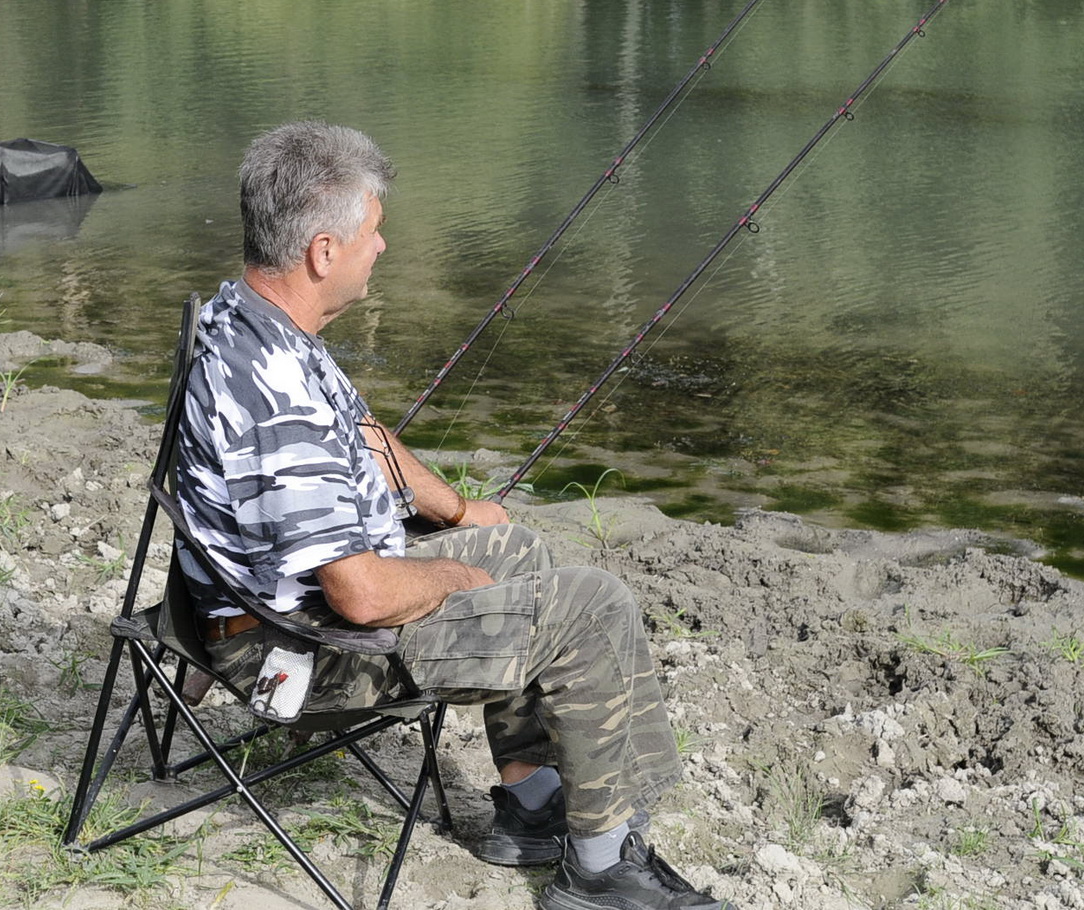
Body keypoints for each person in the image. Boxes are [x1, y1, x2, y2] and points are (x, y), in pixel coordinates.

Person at [175, 120, 733, 910]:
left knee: (519, 549)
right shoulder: (276, 392)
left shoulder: (250, 318)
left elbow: (363, 436)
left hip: (275, 609)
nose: (383, 246)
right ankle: (600, 870)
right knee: (595, 608)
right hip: (298, 654)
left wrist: (463, 510)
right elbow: (360, 595)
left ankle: (531, 805)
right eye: (373, 231)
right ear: (323, 252)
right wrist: (448, 575)